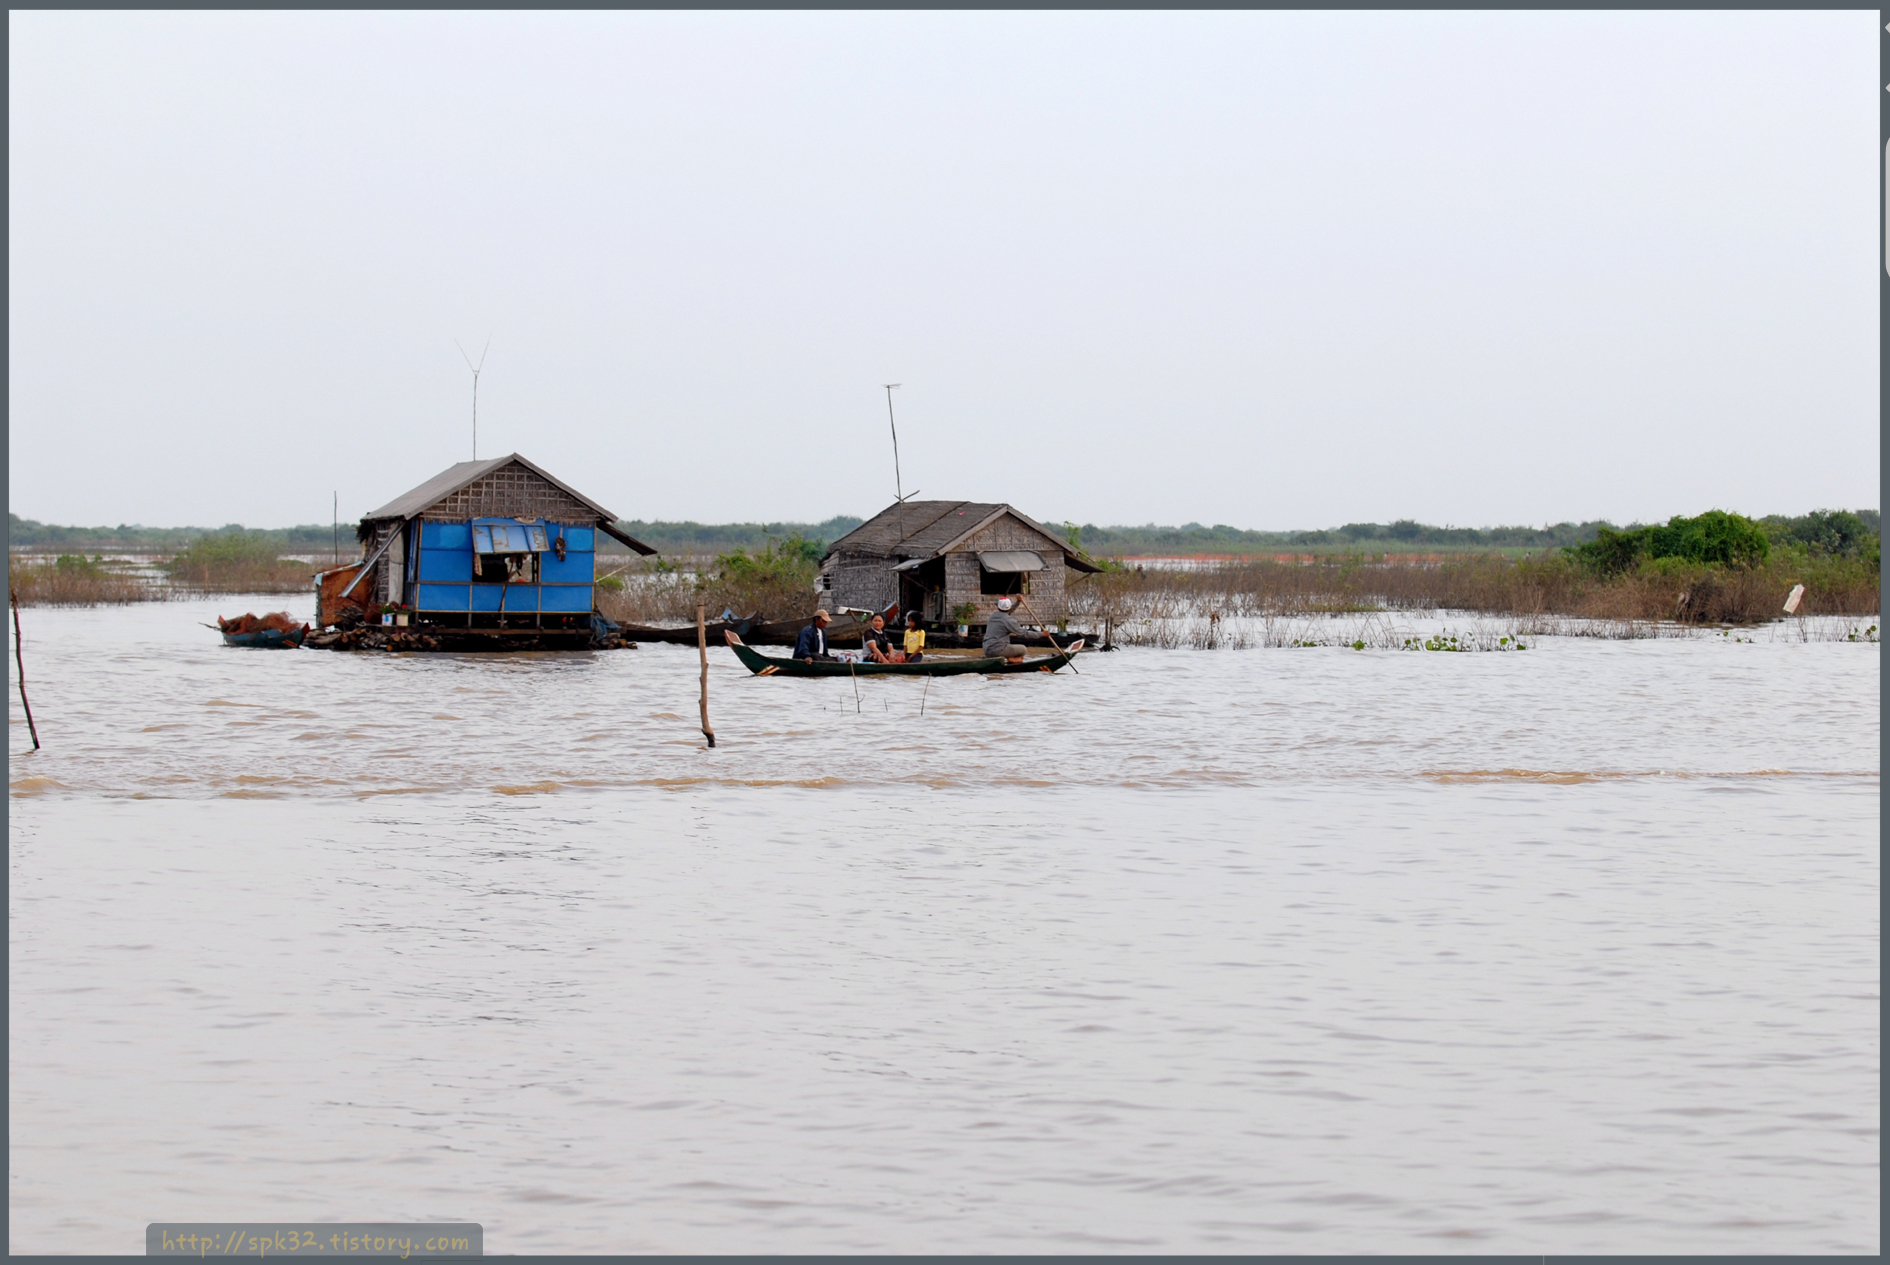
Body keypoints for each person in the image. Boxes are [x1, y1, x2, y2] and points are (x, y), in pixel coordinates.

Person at [981, 596, 1029, 662]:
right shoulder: (1008, 621)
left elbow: (1007, 612)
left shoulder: (993, 615)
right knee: (1023, 649)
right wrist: (1042, 634)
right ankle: (1010, 658)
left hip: (987, 650)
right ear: (1010, 608)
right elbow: (1024, 633)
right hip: (997, 650)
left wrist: (1017, 603)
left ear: (998, 607)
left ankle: (1009, 658)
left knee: (1011, 647)